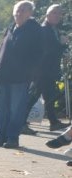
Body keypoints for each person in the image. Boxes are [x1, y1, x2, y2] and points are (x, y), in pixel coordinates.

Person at [0, 1, 42, 150]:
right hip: (3, 75)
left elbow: (38, 55)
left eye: (24, 10)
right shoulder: (10, 28)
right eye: (18, 9)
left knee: (16, 110)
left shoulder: (35, 30)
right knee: (0, 109)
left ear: (30, 13)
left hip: (20, 77)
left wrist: (31, 74)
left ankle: (12, 138)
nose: (20, 12)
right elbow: (1, 51)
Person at [23, 4, 68, 134]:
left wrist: (62, 48)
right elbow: (48, 51)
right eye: (54, 13)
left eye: (59, 13)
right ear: (47, 15)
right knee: (34, 96)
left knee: (49, 96)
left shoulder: (54, 29)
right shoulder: (44, 30)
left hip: (48, 70)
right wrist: (62, 45)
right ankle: (20, 123)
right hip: (42, 70)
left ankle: (53, 122)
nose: (57, 16)